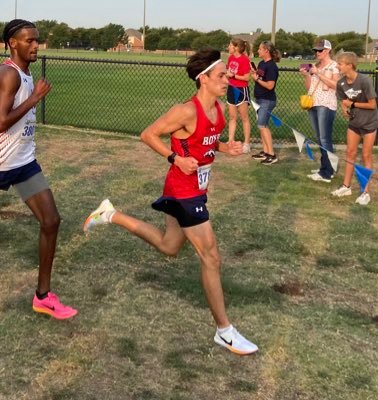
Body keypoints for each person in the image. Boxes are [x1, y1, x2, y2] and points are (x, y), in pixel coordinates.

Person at [83, 49, 258, 356]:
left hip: (196, 189)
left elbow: (205, 139)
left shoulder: (217, 109)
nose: (227, 79)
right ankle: (225, 331)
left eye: (227, 75)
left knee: (169, 247)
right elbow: (148, 134)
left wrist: (224, 147)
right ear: (202, 79)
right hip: (182, 190)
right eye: (221, 75)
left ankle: (110, 214)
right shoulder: (185, 111)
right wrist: (175, 158)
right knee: (211, 256)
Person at [0, 20, 77, 319]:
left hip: (23, 164)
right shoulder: (9, 74)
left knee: (51, 220)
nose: (36, 45)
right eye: (29, 40)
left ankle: (43, 297)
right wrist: (34, 99)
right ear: (12, 43)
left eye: (37, 40)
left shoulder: (28, 74)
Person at [332, 52, 378, 205]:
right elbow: (343, 101)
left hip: (369, 124)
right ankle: (346, 186)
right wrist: (344, 109)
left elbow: (373, 105)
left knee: (366, 156)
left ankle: (365, 192)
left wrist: (352, 105)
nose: (337, 66)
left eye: (340, 64)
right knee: (350, 153)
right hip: (354, 123)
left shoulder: (364, 81)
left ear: (349, 65)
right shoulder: (341, 83)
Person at [299, 39, 340, 183]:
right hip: (313, 104)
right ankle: (326, 167)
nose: (317, 53)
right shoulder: (315, 66)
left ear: (328, 50)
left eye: (320, 50)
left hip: (326, 105)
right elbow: (309, 87)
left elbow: (336, 85)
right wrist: (306, 75)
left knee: (324, 138)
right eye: (315, 50)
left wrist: (319, 73)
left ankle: (326, 173)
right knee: (320, 138)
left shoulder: (334, 66)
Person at [250, 41, 280, 165]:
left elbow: (270, 85)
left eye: (260, 49)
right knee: (263, 126)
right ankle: (266, 151)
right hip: (259, 99)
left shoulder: (272, 66)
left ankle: (272, 155)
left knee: (262, 126)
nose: (258, 51)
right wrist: (254, 73)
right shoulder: (262, 63)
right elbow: (260, 77)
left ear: (266, 51)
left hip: (267, 100)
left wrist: (256, 79)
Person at [226, 38, 252, 154]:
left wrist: (233, 75)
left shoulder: (244, 60)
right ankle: (230, 141)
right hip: (231, 89)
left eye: (230, 45)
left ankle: (247, 143)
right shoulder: (230, 58)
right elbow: (228, 71)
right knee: (232, 117)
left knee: (244, 118)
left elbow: (247, 77)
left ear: (236, 47)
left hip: (241, 90)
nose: (228, 47)